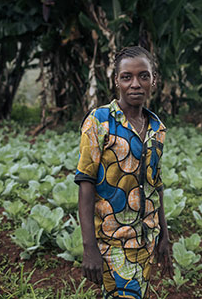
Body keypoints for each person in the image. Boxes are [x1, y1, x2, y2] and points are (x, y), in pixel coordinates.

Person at [74, 46, 173, 299]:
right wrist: (89, 248)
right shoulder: (99, 121)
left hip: (147, 239)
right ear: (116, 81)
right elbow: (85, 184)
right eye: (127, 77)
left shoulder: (157, 127)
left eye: (143, 76)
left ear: (153, 80)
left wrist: (164, 236)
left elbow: (156, 185)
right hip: (113, 241)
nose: (135, 84)